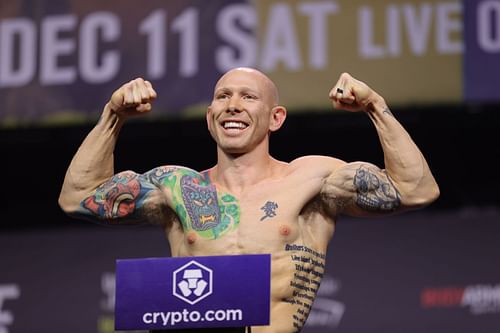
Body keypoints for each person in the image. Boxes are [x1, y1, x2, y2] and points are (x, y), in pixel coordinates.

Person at [58, 67, 439, 333]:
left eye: (248, 97)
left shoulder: (311, 179)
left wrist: (375, 105)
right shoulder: (177, 186)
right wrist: (112, 116)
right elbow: (77, 199)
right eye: (223, 96)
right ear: (210, 117)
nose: (233, 105)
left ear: (275, 118)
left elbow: (415, 189)